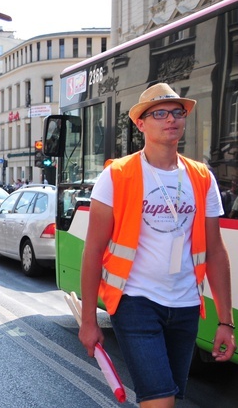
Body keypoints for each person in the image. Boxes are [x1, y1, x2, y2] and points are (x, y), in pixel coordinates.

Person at [79, 83, 235, 406]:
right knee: (160, 401)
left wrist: (224, 321)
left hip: (186, 307)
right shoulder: (116, 176)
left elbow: (217, 251)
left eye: (177, 112)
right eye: (160, 113)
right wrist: (89, 320)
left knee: (170, 398)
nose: (170, 119)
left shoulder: (202, 177)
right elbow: (93, 251)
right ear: (141, 123)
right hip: (135, 303)